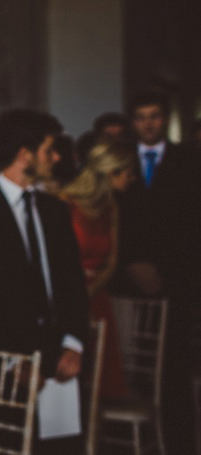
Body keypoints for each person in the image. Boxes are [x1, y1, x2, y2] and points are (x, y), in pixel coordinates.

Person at [0, 109, 88, 455]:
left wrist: (74, 343)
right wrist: (10, 361)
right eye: (49, 150)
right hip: (3, 359)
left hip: (55, 350)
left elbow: (71, 284)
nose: (55, 158)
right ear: (24, 153)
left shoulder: (53, 208)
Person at [128, 90, 201, 455]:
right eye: (141, 117)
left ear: (164, 119)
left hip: (176, 287)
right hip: (128, 287)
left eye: (154, 116)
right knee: (129, 373)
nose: (148, 123)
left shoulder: (189, 160)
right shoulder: (122, 162)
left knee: (172, 374)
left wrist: (169, 274)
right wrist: (132, 266)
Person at [60, 143, 138, 399]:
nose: (132, 178)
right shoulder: (66, 202)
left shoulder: (112, 207)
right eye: (128, 172)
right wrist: (77, 293)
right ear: (110, 173)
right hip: (67, 297)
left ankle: (97, 435)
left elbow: (112, 260)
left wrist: (92, 289)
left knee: (100, 381)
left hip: (97, 297)